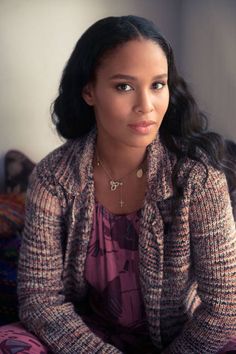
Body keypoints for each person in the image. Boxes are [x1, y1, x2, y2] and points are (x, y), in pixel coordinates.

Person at [0, 15, 235, 354]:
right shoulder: (53, 178)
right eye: (124, 86)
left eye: (157, 84)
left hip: (185, 336)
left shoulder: (198, 178)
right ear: (89, 91)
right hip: (87, 334)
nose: (146, 106)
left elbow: (225, 307)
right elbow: (40, 299)